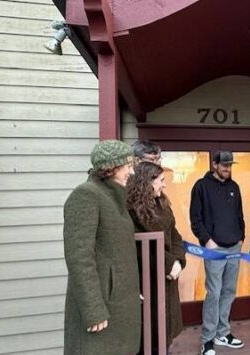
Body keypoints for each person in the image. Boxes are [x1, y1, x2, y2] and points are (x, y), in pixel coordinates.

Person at [62, 140, 140, 354]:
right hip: (102, 310)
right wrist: (93, 309)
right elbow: (79, 258)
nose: (131, 172)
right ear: (112, 168)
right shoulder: (86, 195)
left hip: (119, 305)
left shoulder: (114, 197)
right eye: (128, 166)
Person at [127, 162, 187, 353]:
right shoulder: (130, 210)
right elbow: (138, 247)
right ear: (147, 182)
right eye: (161, 180)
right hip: (147, 281)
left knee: (164, 338)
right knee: (150, 338)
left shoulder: (162, 203)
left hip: (167, 280)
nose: (164, 185)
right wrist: (168, 263)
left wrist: (178, 261)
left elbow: (175, 235)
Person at [190, 151, 245, 355]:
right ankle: (207, 339)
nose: (228, 169)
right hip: (214, 249)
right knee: (214, 293)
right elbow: (195, 218)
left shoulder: (234, 187)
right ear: (214, 165)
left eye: (230, 166)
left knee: (229, 291)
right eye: (224, 166)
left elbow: (239, 214)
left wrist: (241, 236)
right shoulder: (201, 186)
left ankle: (223, 332)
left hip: (234, 248)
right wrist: (206, 240)